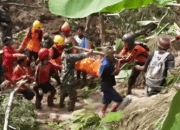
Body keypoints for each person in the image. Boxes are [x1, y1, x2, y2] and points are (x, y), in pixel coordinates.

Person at [59, 41, 93, 111]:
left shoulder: (63, 55)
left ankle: (61, 104)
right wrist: (88, 53)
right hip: (68, 78)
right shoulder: (70, 57)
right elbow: (79, 56)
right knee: (73, 96)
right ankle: (70, 109)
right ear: (70, 49)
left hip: (63, 77)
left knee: (64, 91)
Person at [99, 47, 122, 117]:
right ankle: (111, 112)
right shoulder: (107, 65)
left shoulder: (105, 60)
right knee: (119, 99)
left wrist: (115, 59)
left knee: (106, 101)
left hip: (104, 85)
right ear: (108, 56)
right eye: (112, 54)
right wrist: (118, 62)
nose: (113, 56)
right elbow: (117, 72)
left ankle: (102, 113)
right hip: (107, 86)